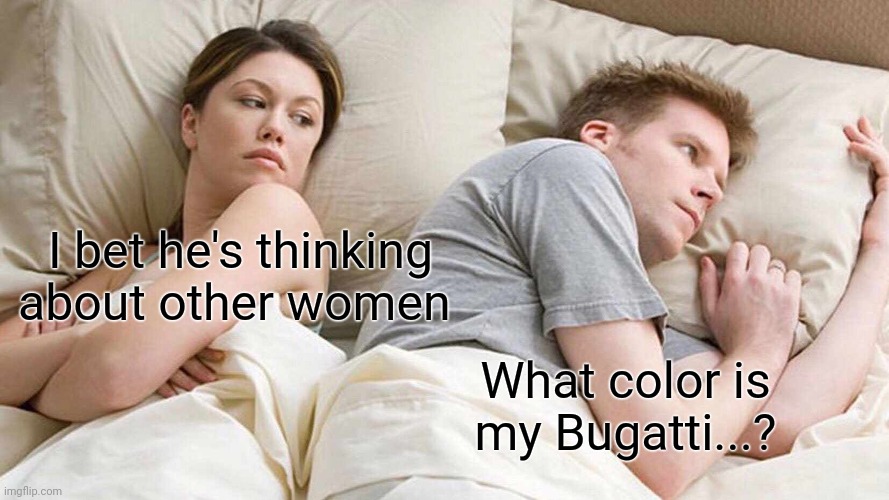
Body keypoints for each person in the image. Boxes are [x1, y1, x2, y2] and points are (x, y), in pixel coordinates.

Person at [353, 61, 889, 497]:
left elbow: (785, 419)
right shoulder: (564, 167)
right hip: (445, 446)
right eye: (690, 151)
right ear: (600, 136)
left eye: (719, 181)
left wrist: (879, 249)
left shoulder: (627, 337)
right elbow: (662, 452)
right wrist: (758, 351)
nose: (711, 190)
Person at [0, 20, 345, 422]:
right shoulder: (128, 266)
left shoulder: (282, 218)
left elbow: (114, 370)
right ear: (191, 123)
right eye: (253, 102)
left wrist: (36, 381)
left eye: (302, 119)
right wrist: (85, 340)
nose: (275, 129)